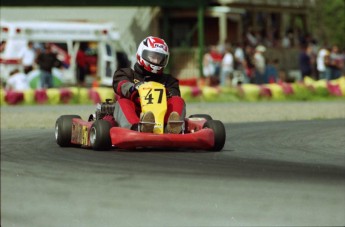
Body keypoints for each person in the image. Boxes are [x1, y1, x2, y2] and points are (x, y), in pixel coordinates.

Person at [112, 36, 186, 134]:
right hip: (136, 112)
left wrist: (166, 93)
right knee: (123, 102)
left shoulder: (169, 80)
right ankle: (138, 128)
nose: (156, 61)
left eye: (159, 58)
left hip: (162, 116)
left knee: (178, 100)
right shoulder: (126, 73)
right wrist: (133, 88)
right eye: (153, 57)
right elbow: (121, 84)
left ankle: (171, 128)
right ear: (141, 54)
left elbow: (175, 94)